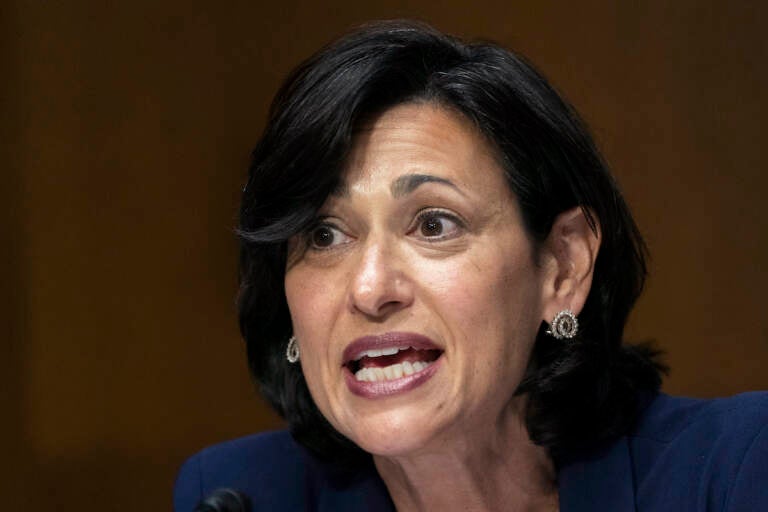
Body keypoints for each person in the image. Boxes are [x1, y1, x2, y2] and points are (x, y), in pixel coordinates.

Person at [174, 21, 768, 511]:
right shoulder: (242, 497)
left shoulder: (736, 470)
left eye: (433, 224)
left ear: (562, 267)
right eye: (325, 235)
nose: (370, 287)